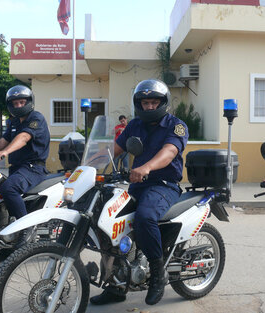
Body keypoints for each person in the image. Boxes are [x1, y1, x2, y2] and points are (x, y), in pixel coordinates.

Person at [90, 79, 188, 306]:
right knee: (106, 221)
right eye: (145, 103)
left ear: (163, 103)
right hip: (137, 185)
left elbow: (169, 151)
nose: (150, 107)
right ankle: (115, 285)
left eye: (154, 102)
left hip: (164, 185)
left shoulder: (176, 125)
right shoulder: (134, 126)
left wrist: (146, 167)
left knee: (145, 217)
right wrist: (86, 166)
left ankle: (157, 273)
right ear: (139, 104)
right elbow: (113, 150)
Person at [0, 85, 50, 263]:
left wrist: (5, 152)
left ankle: (26, 230)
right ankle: (7, 246)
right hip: (17, 168)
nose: (19, 105)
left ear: (29, 102)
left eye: (22, 102)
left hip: (33, 168)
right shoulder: (13, 121)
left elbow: (23, 137)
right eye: (15, 102)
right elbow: (4, 140)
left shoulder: (35, 118)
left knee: (9, 188)